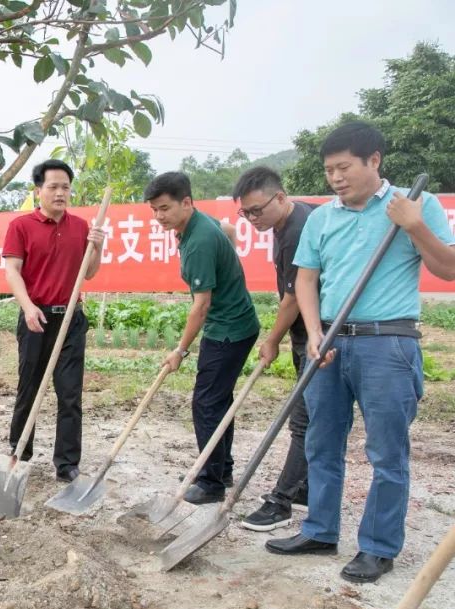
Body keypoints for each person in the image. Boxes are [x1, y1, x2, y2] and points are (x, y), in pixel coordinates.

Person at [266, 121, 455, 583]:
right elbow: (306, 278)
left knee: (387, 452)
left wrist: (415, 228)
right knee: (321, 442)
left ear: (374, 160)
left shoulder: (414, 206)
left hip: (386, 343)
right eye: (329, 170)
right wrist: (311, 332)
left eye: (344, 167)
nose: (336, 177)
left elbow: (448, 269)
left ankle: (378, 546)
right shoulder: (323, 219)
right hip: (328, 342)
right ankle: (320, 529)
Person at [145, 171, 260, 504]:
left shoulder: (199, 242)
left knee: (206, 402)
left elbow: (201, 305)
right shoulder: (199, 225)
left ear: (186, 202)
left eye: (165, 208)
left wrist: (180, 350)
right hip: (237, 324)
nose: (159, 217)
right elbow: (229, 230)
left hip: (228, 330)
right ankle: (220, 467)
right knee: (219, 400)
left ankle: (211, 483)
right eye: (154, 210)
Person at [3, 159, 106, 483]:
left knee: (70, 393)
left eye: (65, 187)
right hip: (37, 318)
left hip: (70, 320)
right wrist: (29, 307)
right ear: (38, 191)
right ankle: (20, 453)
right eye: (53, 187)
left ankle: (67, 463)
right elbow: (12, 272)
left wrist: (98, 248)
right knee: (29, 389)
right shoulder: (22, 227)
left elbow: (87, 273)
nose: (60, 193)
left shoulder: (80, 228)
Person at [231, 167, 316, 531]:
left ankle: (281, 501)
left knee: (303, 420)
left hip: (318, 336)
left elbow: (294, 297)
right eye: (245, 213)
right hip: (309, 334)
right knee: (314, 419)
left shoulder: (299, 229)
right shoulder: (286, 223)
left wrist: (271, 340)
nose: (251, 220)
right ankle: (306, 489)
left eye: (256, 211)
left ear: (280, 197)